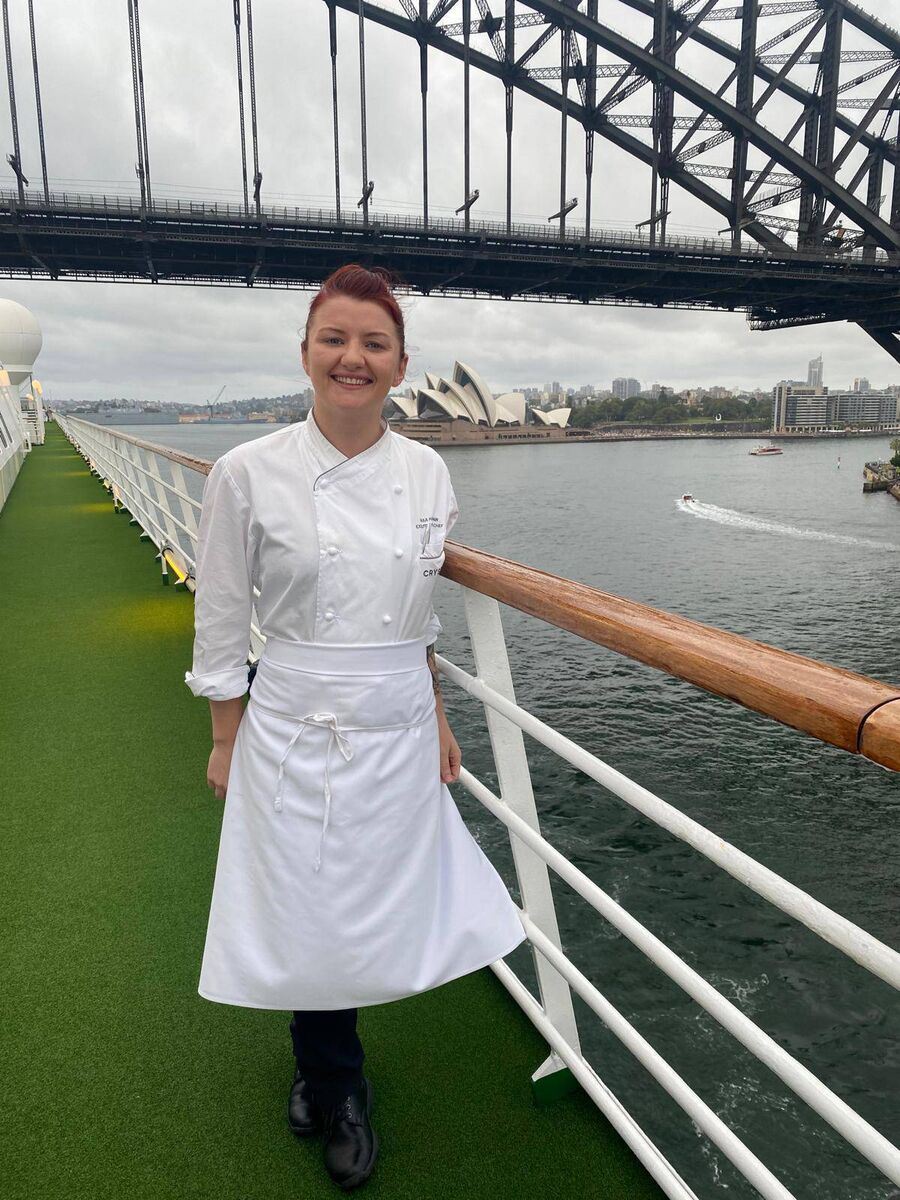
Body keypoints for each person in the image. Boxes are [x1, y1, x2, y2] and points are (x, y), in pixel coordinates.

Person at [184, 263, 527, 1191]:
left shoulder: (426, 469)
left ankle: (317, 1065)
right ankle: (337, 1086)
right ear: (305, 353)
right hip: (293, 714)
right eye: (335, 338)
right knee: (310, 904)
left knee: (381, 902)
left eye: (374, 343)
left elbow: (414, 611)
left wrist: (442, 714)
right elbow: (220, 618)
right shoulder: (247, 473)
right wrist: (226, 732)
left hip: (401, 716)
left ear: (400, 364)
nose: (353, 357)